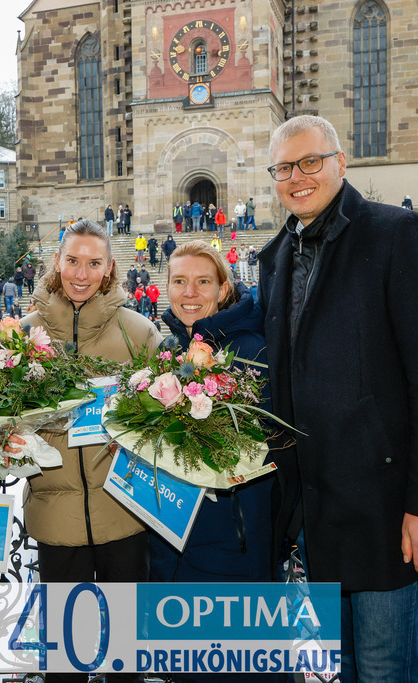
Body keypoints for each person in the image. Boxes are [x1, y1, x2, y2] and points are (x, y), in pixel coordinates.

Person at [257, 115, 418, 682]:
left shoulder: (399, 235)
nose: (297, 177)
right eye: (283, 168)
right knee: (348, 670)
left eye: (310, 162)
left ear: (340, 161)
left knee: (384, 672)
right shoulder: (275, 258)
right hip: (317, 518)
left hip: (386, 511)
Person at [14, 219, 161, 683]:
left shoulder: (138, 332)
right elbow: (3, 417)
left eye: (93, 262)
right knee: (64, 663)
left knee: (125, 661)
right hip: (57, 521)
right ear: (56, 263)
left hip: (125, 513)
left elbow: (167, 421)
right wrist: (11, 441)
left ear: (109, 267)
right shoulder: (24, 334)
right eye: (72, 260)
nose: (81, 273)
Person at [151, 240, 281, 682]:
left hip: (231, 544)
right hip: (175, 539)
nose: (190, 292)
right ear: (165, 287)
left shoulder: (250, 349)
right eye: (180, 281)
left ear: (223, 289)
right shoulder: (168, 347)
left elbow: (263, 446)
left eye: (203, 281)